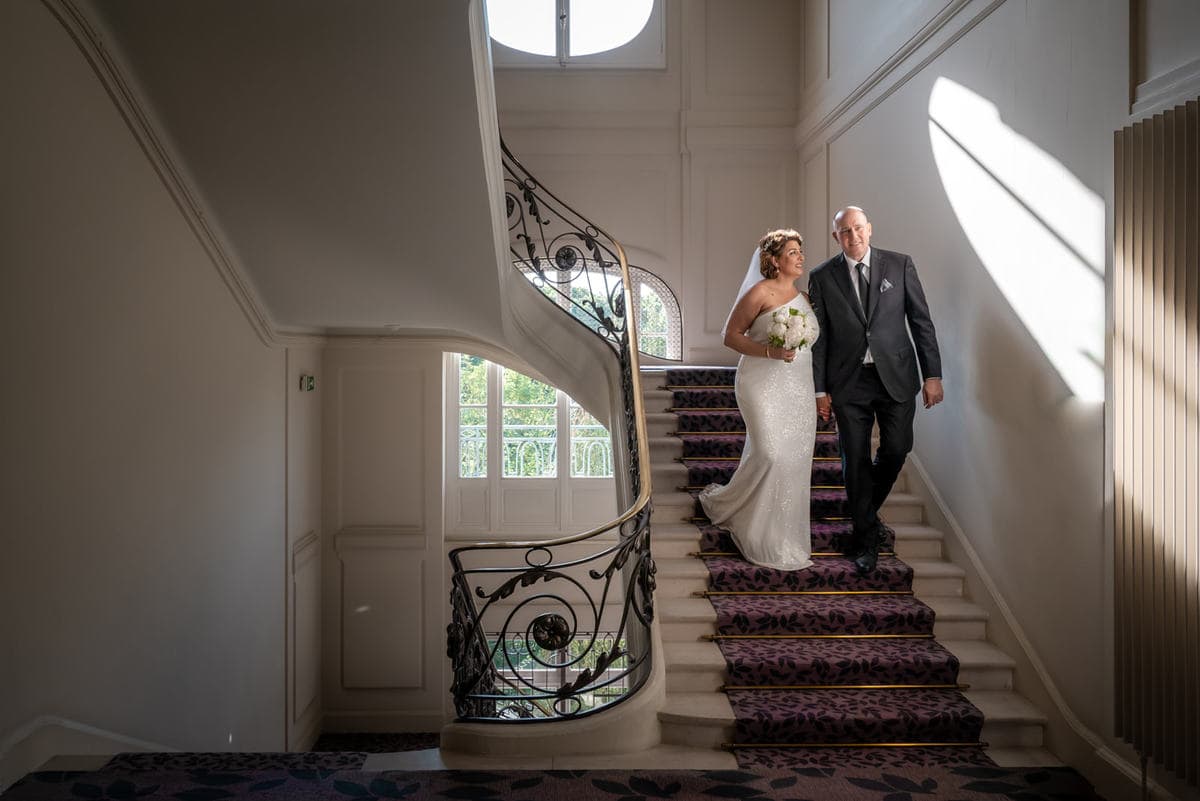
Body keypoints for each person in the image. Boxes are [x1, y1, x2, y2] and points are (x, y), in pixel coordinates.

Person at [808, 206, 943, 575]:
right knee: (854, 458)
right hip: (848, 382)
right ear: (836, 237)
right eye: (845, 232)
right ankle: (867, 539)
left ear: (869, 229)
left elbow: (921, 321)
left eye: (858, 229)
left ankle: (863, 514)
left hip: (897, 376)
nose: (854, 237)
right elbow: (819, 340)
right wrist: (819, 389)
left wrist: (933, 374)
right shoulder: (822, 277)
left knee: (898, 448)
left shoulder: (900, 265)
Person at [698, 229, 819, 571]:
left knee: (794, 461)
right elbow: (730, 336)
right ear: (775, 260)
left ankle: (782, 537)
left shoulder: (806, 298)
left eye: (800, 251)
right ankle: (734, 510)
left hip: (799, 387)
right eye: (793, 252)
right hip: (760, 383)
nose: (800, 257)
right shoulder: (760, 292)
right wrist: (770, 350)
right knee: (769, 453)